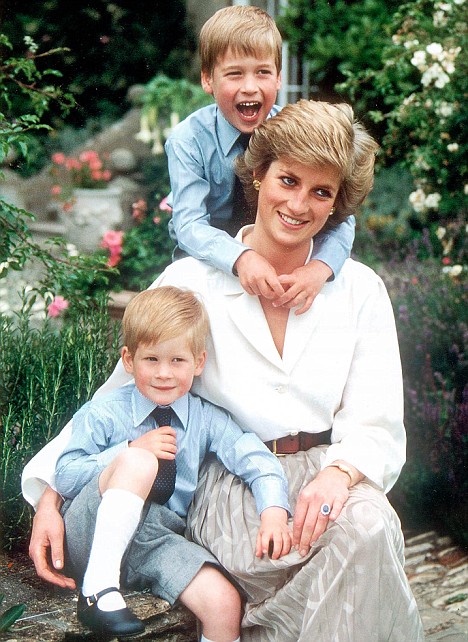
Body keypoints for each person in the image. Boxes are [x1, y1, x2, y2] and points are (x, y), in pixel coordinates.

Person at [23, 99, 424, 641]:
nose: (299, 204)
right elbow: (121, 395)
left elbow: (377, 419)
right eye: (288, 180)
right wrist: (50, 497)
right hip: (232, 487)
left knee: (370, 527)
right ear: (259, 176)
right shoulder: (192, 282)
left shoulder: (361, 289)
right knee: (333, 561)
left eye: (321, 192)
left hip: (327, 475)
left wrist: (339, 473)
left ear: (338, 205)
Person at [52, 286, 291, 641]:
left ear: (198, 362)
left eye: (177, 360)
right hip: (92, 528)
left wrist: (273, 510)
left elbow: (255, 457)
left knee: (223, 602)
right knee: (139, 461)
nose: (164, 373)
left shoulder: (206, 418)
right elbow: (64, 475)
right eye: (151, 359)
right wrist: (126, 450)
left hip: (155, 539)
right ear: (129, 360)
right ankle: (97, 591)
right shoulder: (105, 412)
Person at [165, 5, 356, 315]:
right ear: (208, 80)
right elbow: (188, 224)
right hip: (207, 263)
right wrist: (241, 257)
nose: (250, 87)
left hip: (281, 263)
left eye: (263, 72)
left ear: (279, 78)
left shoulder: (293, 131)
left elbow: (342, 215)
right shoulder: (188, 140)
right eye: (234, 74)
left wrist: (320, 267)